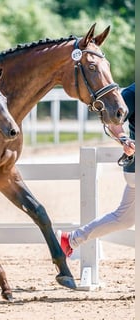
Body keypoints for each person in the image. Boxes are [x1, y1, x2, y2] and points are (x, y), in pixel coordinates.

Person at [57, 83, 135, 257]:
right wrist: (123, 139)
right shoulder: (132, 92)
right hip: (135, 167)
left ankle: (70, 240)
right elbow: (113, 120)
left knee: (123, 219)